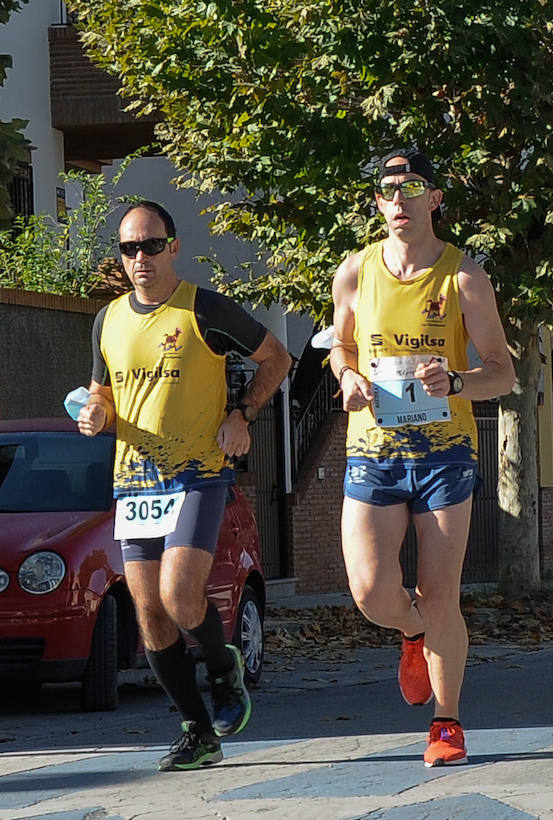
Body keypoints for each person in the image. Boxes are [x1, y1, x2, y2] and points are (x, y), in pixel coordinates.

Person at [76, 200, 291, 771]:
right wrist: (96, 411)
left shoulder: (206, 309)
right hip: (134, 480)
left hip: (197, 472)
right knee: (149, 613)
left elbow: (277, 358)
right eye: (129, 249)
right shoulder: (108, 320)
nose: (140, 258)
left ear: (173, 247)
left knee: (179, 593)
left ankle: (225, 671)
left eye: (151, 245)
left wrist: (241, 414)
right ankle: (197, 729)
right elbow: (100, 391)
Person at [329, 149, 515, 766]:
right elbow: (343, 345)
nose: (399, 199)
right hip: (374, 451)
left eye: (412, 188)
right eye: (388, 190)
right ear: (377, 203)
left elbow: (502, 374)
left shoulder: (465, 278)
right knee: (370, 592)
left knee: (441, 593)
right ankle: (410, 632)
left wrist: (457, 383)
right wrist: (347, 376)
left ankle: (446, 722)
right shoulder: (354, 272)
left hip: (445, 455)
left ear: (434, 198)